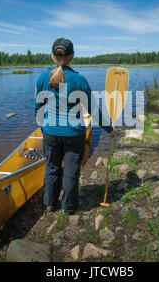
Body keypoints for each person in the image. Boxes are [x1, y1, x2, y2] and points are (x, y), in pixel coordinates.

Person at [34, 38, 115, 215]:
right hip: (73, 133)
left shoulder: (42, 78)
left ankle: (49, 203)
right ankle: (69, 208)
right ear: (72, 57)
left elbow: (37, 108)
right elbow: (94, 111)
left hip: (50, 131)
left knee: (52, 167)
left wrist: (43, 128)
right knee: (71, 171)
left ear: (52, 56)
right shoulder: (80, 80)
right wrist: (109, 129)